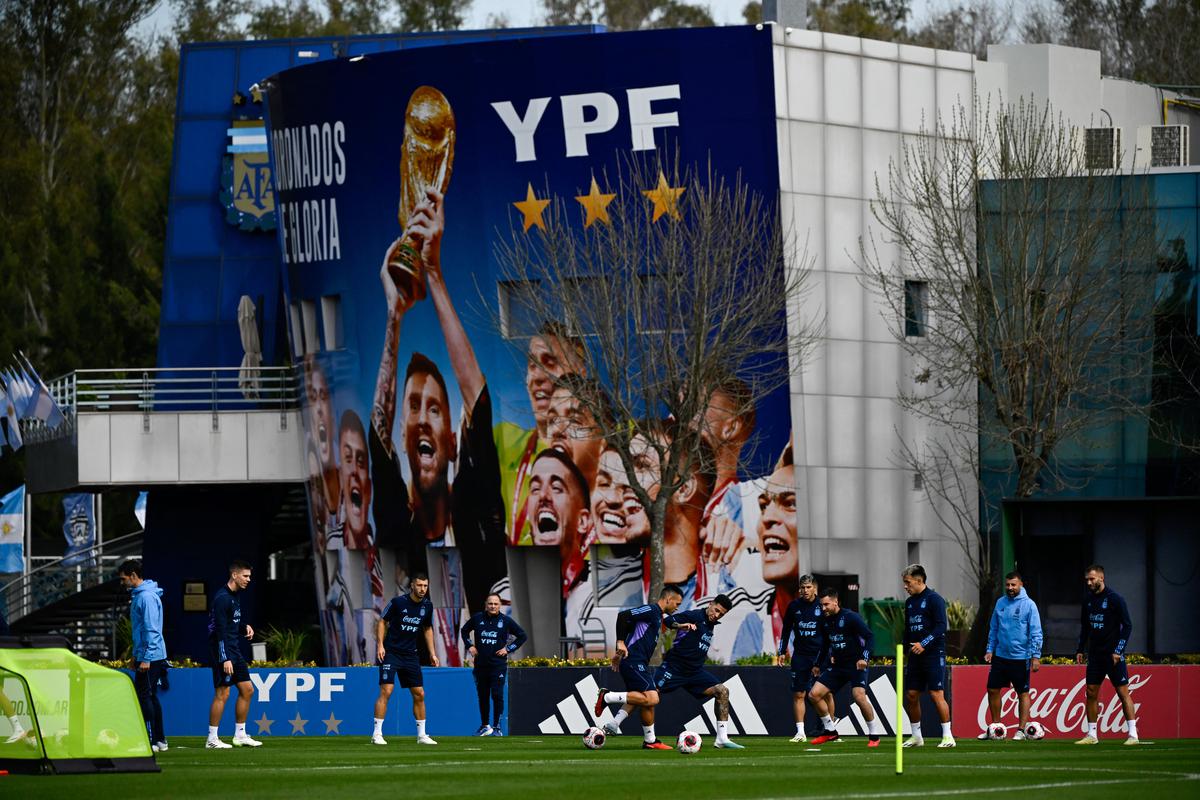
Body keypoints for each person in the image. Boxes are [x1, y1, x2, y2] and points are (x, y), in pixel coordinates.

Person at [371, 187, 506, 618]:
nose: (423, 420)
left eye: (434, 407)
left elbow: (477, 398)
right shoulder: (397, 517)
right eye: (413, 407)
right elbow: (378, 427)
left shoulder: (476, 505)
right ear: (405, 437)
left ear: (451, 439)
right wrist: (394, 316)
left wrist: (433, 272)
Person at [496, 321, 586, 545]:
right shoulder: (504, 439)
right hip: (526, 569)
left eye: (549, 362)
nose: (537, 376)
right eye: (532, 365)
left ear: (579, 373)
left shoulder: (609, 443)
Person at [643, 595, 745, 749]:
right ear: (710, 604)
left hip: (694, 673)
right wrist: (680, 625)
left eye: (721, 614)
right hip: (674, 667)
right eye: (716, 610)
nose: (716, 615)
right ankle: (617, 718)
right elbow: (669, 620)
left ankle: (722, 739)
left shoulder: (711, 624)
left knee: (722, 691)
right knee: (648, 696)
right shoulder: (694, 615)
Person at [595, 585, 689, 750]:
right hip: (633, 662)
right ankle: (607, 696)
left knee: (644, 700)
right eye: (677, 603)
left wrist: (619, 652)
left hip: (635, 661)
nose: (677, 607)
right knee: (653, 697)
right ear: (668, 599)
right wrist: (620, 642)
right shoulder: (652, 609)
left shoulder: (657, 615)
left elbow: (632, 628)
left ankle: (649, 740)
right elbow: (624, 616)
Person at [808, 588, 885, 747]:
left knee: (859, 697)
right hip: (838, 666)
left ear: (836, 602)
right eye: (821, 605)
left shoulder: (851, 617)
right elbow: (826, 644)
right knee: (814, 695)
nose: (823, 608)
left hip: (856, 665)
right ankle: (830, 731)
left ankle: (874, 735)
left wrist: (864, 658)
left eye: (826, 605)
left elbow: (870, 637)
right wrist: (817, 664)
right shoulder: (824, 620)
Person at [372, 573, 440, 746]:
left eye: (425, 586)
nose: (422, 589)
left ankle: (422, 735)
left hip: (411, 655)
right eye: (419, 585)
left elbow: (427, 628)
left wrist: (432, 653)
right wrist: (380, 645)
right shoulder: (398, 602)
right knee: (386, 691)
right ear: (412, 586)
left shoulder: (427, 606)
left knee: (419, 694)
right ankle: (377, 734)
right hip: (392, 653)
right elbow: (382, 622)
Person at [1074, 564, 1138, 745]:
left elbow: (1128, 626)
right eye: (1087, 579)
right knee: (1091, 692)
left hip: (1113, 656)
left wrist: (1119, 650)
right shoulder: (1087, 601)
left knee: (1122, 692)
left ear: (1101, 578)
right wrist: (1080, 649)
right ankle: (1092, 735)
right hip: (1095, 655)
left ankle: (1133, 734)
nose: (1089, 582)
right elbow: (1085, 628)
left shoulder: (1115, 599)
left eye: (1092, 579)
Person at [981, 571, 1043, 741]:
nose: (1010, 588)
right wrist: (990, 649)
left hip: (1020, 657)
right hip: (1000, 656)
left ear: (1020, 585)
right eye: (1007, 585)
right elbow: (994, 628)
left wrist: (1035, 656)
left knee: (1022, 692)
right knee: (992, 689)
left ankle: (1021, 731)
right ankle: (996, 728)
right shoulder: (1000, 602)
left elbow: (1036, 633)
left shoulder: (1029, 605)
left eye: (1013, 585)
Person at [206, 559, 260, 748]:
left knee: (248, 690)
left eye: (249, 576)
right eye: (245, 576)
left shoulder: (236, 596)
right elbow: (218, 630)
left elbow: (230, 624)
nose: (248, 579)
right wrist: (224, 658)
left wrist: (244, 626)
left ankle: (240, 735)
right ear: (234, 575)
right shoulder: (222, 598)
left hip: (234, 649)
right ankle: (212, 739)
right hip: (223, 651)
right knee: (223, 693)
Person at [900, 564, 954, 748]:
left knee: (936, 693)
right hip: (915, 655)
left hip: (933, 653)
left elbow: (940, 627)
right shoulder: (909, 603)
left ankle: (948, 736)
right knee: (912, 695)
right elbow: (908, 629)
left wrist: (924, 644)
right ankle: (917, 737)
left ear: (919, 580)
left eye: (907, 582)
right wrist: (901, 650)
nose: (905, 586)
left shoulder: (934, 599)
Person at [777, 574, 836, 743]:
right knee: (799, 694)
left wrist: (834, 653)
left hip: (821, 655)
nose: (805, 590)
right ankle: (800, 733)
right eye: (802, 587)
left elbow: (831, 632)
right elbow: (786, 629)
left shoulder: (822, 606)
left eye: (808, 587)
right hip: (800, 656)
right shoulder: (794, 606)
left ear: (815, 589)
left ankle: (830, 731)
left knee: (826, 694)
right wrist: (782, 650)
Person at [118, 559, 169, 752]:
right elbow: (142, 631)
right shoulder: (142, 596)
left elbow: (151, 630)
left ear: (133, 576)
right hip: (148, 654)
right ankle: (159, 740)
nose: (122, 583)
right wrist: (137, 655)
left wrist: (146, 657)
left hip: (151, 655)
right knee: (150, 696)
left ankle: (150, 740)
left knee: (145, 696)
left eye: (123, 579)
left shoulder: (145, 597)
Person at [460, 593, 527, 736]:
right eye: (490, 603)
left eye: (496, 604)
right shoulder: (478, 618)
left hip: (498, 665)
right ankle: (485, 726)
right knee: (483, 696)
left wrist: (508, 649)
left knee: (497, 695)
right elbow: (464, 631)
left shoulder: (506, 621)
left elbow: (522, 636)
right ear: (486, 604)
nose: (493, 606)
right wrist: (470, 646)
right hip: (481, 665)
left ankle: (497, 727)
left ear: (500, 605)